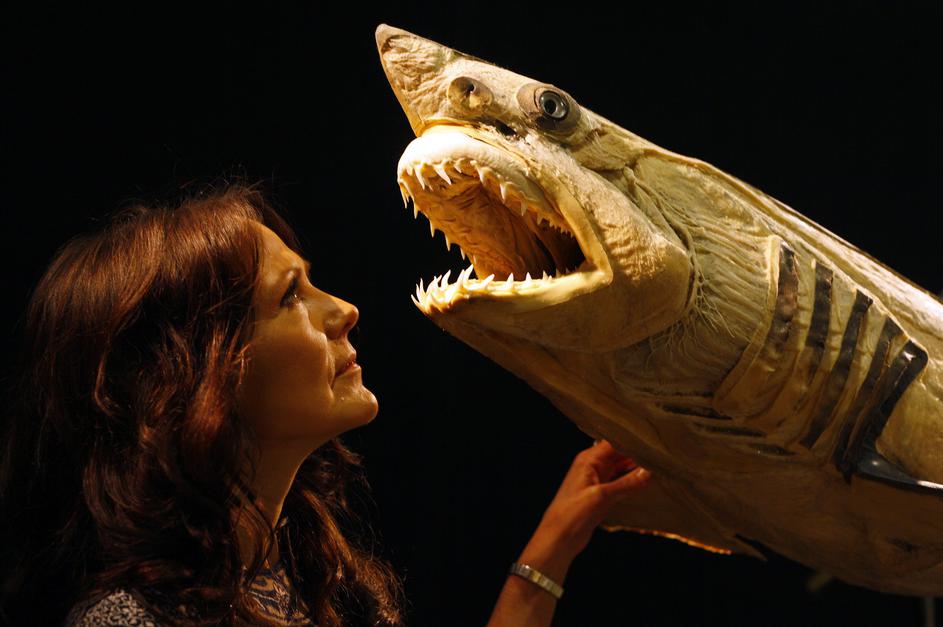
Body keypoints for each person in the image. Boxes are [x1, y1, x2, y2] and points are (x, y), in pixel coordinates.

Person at [0, 183, 650, 626]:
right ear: (193, 372)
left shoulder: (312, 580)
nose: (344, 309)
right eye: (290, 295)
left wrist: (555, 541)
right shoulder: (131, 621)